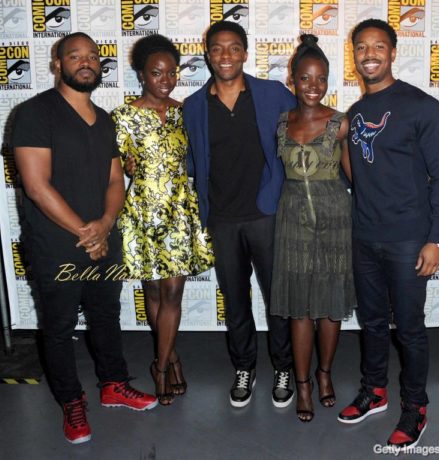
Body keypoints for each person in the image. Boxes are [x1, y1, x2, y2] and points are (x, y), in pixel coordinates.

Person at [11, 32, 157, 445]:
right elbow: (37, 186)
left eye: (93, 55)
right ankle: (71, 401)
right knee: (58, 328)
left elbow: (116, 178)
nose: (86, 62)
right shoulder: (34, 113)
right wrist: (85, 231)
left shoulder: (105, 119)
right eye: (75, 56)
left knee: (106, 316)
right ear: (58, 64)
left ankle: (113, 384)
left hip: (103, 240)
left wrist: (107, 223)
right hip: (56, 244)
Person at [337, 19, 439, 450]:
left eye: (379, 46)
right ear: (354, 55)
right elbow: (355, 174)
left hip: (410, 238)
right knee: (370, 322)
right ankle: (375, 392)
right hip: (364, 235)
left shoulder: (421, 106)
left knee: (408, 328)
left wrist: (435, 238)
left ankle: (415, 406)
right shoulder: (353, 114)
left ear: (392, 52)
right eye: (362, 47)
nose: (370, 54)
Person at [183, 21, 297, 408]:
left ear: (245, 54)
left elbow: (302, 139)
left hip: (267, 215)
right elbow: (190, 158)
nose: (226, 55)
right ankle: (244, 367)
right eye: (217, 49)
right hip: (222, 219)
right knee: (235, 300)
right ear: (208, 55)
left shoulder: (272, 94)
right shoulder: (195, 106)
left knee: (277, 298)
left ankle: (284, 367)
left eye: (234, 48)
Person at [111, 34, 213, 406]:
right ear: (141, 74)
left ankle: (158, 366)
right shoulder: (122, 117)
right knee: (152, 292)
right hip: (142, 214)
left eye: (171, 72)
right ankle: (172, 357)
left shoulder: (185, 112)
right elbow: (116, 168)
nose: (166, 79)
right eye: (157, 73)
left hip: (180, 211)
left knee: (173, 291)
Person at [270, 34, 355, 422]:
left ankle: (324, 375)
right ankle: (302, 382)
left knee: (330, 307)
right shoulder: (281, 122)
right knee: (300, 308)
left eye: (321, 79)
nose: (313, 86)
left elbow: (354, 176)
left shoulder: (340, 123)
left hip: (334, 215)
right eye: (305, 78)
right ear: (293, 80)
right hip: (293, 218)